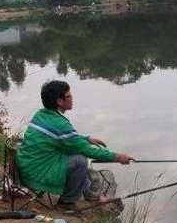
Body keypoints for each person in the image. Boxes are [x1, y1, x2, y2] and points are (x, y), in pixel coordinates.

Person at [16, 80, 134, 210]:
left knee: (74, 155)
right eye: (68, 96)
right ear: (59, 101)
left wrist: (86, 138)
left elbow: (66, 139)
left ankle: (91, 195)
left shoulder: (41, 114)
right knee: (79, 160)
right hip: (37, 174)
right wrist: (118, 157)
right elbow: (87, 151)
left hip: (28, 166)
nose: (72, 98)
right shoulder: (60, 124)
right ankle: (67, 202)